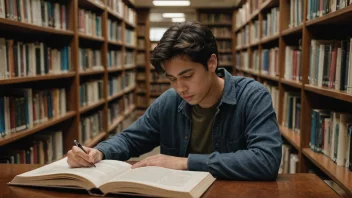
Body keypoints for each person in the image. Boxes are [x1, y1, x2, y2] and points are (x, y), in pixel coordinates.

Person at [67, 21, 282, 180]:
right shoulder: (169, 101)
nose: (180, 88)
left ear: (211, 62)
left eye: (187, 76)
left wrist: (185, 163)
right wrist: (98, 152)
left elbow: (266, 160)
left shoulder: (253, 96)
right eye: (172, 79)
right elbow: (131, 139)